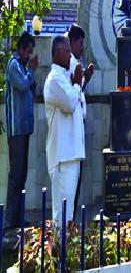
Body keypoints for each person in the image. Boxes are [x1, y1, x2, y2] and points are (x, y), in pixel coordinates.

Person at [44, 36, 85, 226]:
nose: (70, 56)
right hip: (62, 155)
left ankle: (66, 251)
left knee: (69, 212)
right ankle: (60, 251)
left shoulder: (65, 78)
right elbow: (69, 104)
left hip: (72, 154)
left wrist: (79, 83)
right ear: (58, 52)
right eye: (67, 51)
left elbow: (80, 109)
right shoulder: (54, 79)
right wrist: (77, 84)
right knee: (62, 212)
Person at [5, 31, 38, 231]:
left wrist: (31, 72)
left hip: (25, 128)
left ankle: (17, 218)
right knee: (16, 175)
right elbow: (23, 85)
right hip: (16, 129)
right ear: (21, 49)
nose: (29, 55)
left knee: (22, 174)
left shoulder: (23, 67)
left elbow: (32, 88)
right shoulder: (13, 65)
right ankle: (9, 221)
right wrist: (31, 70)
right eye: (28, 51)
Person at [67, 24, 94, 217]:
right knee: (72, 178)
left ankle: (71, 219)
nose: (82, 48)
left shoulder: (75, 63)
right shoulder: (69, 64)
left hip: (78, 125)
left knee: (77, 175)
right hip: (71, 129)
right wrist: (82, 79)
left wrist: (86, 79)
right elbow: (71, 96)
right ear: (73, 42)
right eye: (81, 43)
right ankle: (68, 222)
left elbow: (78, 91)